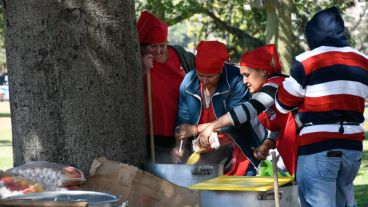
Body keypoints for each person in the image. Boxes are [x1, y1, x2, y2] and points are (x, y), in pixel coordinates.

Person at [275, 7, 368, 207]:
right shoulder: (363, 62)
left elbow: (283, 104)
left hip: (318, 145)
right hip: (352, 146)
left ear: (313, 34)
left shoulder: (307, 61)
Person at [196, 44, 298, 176]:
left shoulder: (276, 85)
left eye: (247, 75)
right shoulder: (270, 88)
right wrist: (267, 144)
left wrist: (211, 126)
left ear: (264, 71)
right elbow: (281, 126)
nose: (244, 81)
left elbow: (247, 110)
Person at [172, 40, 266, 175]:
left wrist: (195, 129)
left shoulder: (236, 80)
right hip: (206, 156)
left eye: (210, 76)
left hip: (239, 152)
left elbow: (236, 121)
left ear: (221, 70)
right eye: (200, 75)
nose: (204, 81)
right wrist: (179, 147)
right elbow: (183, 121)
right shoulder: (189, 82)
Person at [137, 10, 195, 163]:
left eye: (162, 45)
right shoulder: (137, 59)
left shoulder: (180, 56)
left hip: (182, 127)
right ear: (142, 45)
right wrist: (141, 69)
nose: (158, 51)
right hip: (152, 131)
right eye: (152, 46)